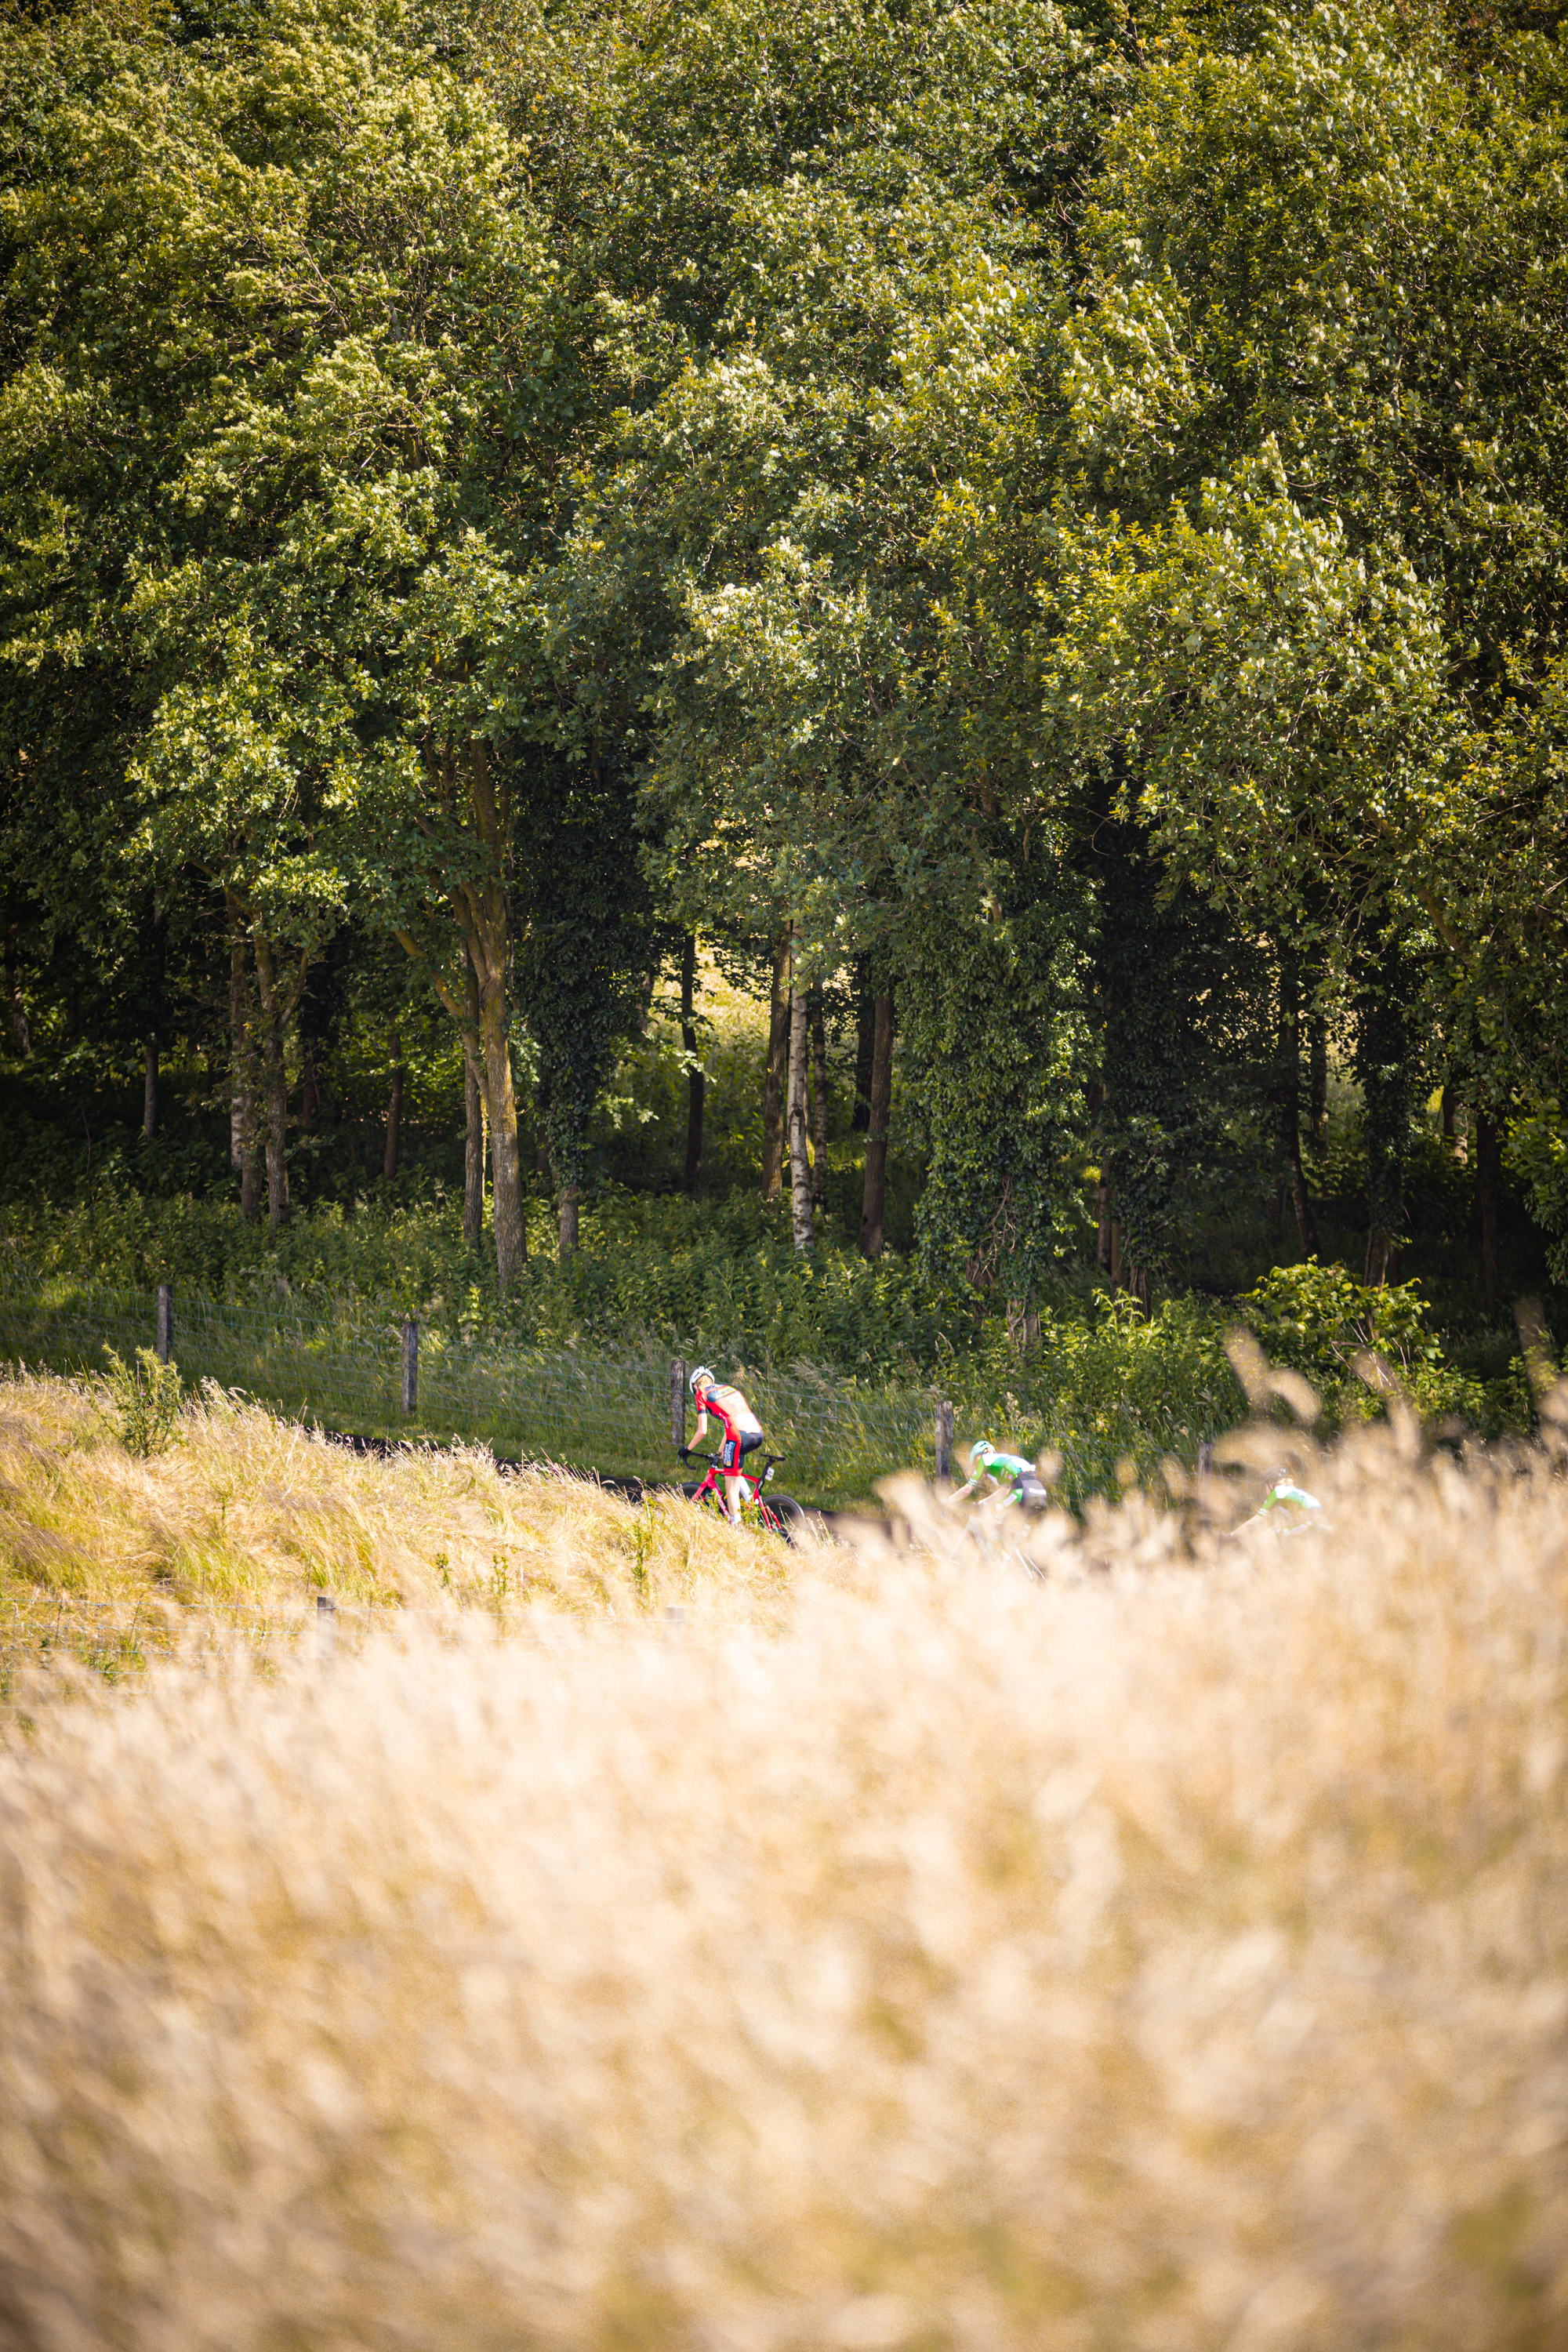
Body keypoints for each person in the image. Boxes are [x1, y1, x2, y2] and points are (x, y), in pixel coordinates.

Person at [682, 1363, 764, 1526]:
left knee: (731, 1487)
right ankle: (753, 1506)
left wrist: (687, 1449)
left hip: (738, 1436)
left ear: (695, 1386)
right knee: (734, 1471)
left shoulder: (701, 1393)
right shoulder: (728, 1389)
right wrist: (720, 1454)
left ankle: (736, 1530)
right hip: (756, 1433)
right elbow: (731, 1424)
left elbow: (702, 1430)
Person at [953, 1438, 1048, 1513]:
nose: (975, 1467)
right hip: (1040, 1495)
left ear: (979, 1456)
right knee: (1006, 1525)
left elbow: (966, 1490)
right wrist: (982, 1504)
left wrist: (948, 1502)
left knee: (989, 1521)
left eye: (974, 1463)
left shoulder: (984, 1460)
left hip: (1021, 1493)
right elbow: (1004, 1492)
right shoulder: (1003, 1462)